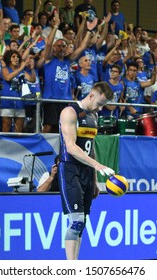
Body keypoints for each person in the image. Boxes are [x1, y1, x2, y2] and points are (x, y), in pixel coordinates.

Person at [58, 81, 115, 260]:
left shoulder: (93, 117)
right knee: (76, 221)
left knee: (82, 224)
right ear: (91, 95)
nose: (100, 108)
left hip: (87, 173)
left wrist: (95, 178)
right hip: (70, 169)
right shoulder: (70, 112)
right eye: (99, 104)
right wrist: (98, 165)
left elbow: (91, 149)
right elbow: (71, 147)